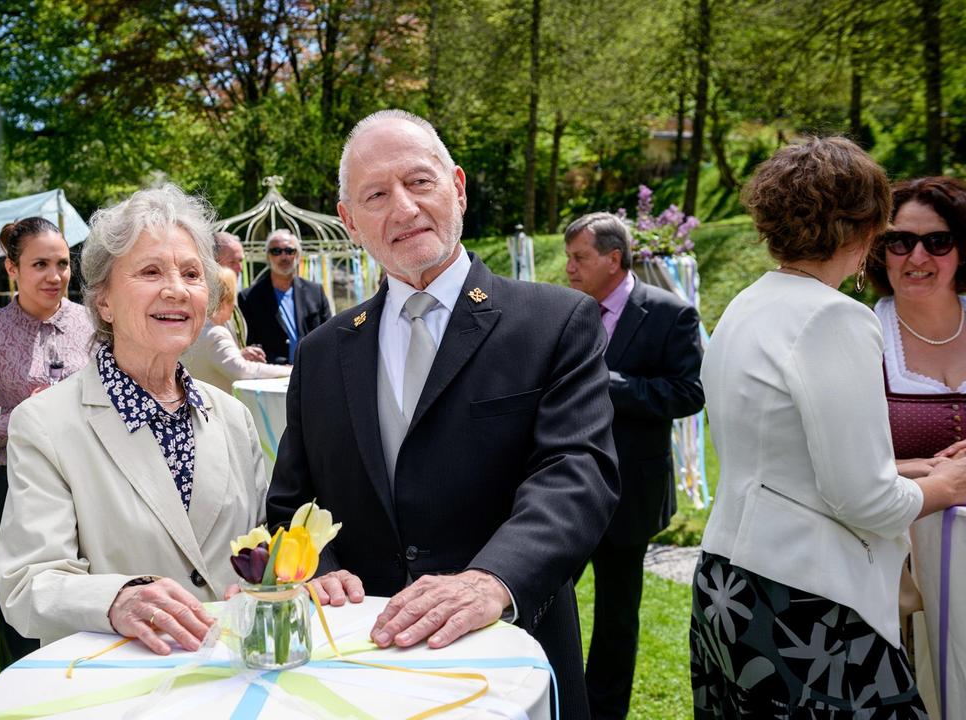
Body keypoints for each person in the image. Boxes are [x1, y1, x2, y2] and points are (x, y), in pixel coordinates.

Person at [265, 109, 620, 720]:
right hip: (358, 670)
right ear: (350, 222)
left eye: (419, 182)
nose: (403, 209)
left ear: (457, 186)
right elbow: (290, 508)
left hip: (506, 659)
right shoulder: (322, 353)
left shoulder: (553, 323)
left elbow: (576, 475)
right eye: (376, 194)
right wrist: (313, 569)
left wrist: (491, 581)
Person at [692, 137, 966, 717]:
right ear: (868, 227)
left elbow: (778, 458)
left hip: (729, 584)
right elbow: (864, 501)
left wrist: (906, 468)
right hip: (805, 604)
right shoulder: (834, 317)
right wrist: (952, 483)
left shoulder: (749, 303)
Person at [0, 184, 267, 655]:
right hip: (119, 686)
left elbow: (267, 545)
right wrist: (117, 598)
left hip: (232, 679)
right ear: (102, 300)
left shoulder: (234, 418)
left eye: (191, 273)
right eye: (150, 271)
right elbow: (29, 585)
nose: (176, 290)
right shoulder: (44, 425)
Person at [564, 211, 705, 720]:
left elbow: (690, 392)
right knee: (547, 599)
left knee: (617, 618)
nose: (569, 269)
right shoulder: (569, 311)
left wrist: (612, 384)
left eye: (579, 257)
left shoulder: (671, 314)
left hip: (631, 493)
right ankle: (550, 697)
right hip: (567, 490)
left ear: (613, 259)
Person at [0, 216, 94, 670]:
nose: (55, 276)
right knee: (21, 626)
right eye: (40, 265)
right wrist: (18, 420)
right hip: (18, 490)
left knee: (94, 614)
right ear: (12, 268)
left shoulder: (95, 324)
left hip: (93, 485)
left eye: (63, 263)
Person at [866, 176, 966, 716]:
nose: (917, 256)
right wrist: (922, 470)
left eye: (938, 241)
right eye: (899, 242)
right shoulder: (860, 335)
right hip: (899, 581)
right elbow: (832, 462)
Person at [181, 267, 292, 392]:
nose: (234, 306)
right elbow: (242, 370)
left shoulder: (193, 327)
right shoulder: (215, 333)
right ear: (225, 300)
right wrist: (288, 370)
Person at [237, 229, 332, 364]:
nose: (284, 256)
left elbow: (328, 334)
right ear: (268, 257)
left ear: (298, 255)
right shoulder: (249, 298)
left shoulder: (316, 292)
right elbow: (248, 344)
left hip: (312, 370)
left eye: (289, 251)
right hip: (271, 376)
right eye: (276, 251)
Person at [214, 231, 265, 362]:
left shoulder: (230, 294)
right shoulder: (205, 301)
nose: (240, 268)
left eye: (241, 260)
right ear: (214, 262)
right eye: (232, 262)